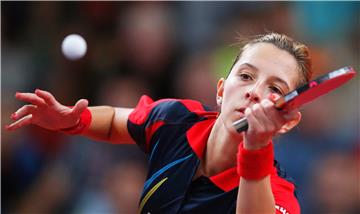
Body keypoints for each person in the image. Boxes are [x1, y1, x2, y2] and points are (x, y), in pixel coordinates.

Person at [6, 32, 312, 214]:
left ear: (287, 122)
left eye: (275, 89)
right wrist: (73, 119)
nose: (255, 92)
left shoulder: (277, 194)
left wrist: (255, 149)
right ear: (221, 90)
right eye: (246, 76)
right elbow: (116, 121)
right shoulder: (176, 120)